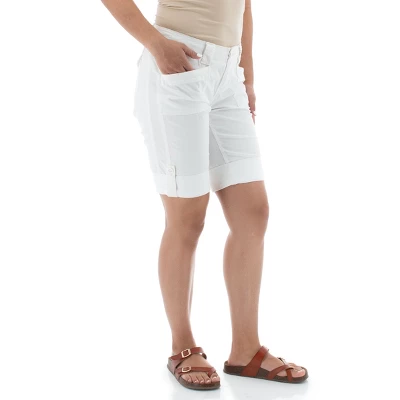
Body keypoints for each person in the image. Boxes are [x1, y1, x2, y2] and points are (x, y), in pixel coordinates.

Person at [101, 0, 308, 391]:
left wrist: (247, 75)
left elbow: (244, 5)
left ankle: (246, 350)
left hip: (228, 71)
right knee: (188, 218)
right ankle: (182, 347)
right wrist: (155, 43)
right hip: (178, 59)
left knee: (253, 212)